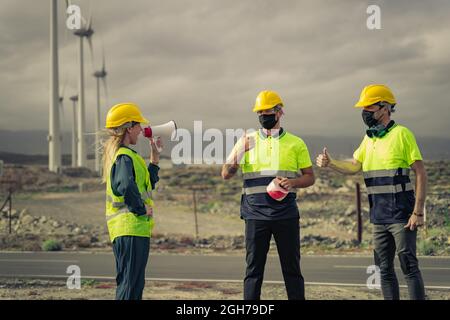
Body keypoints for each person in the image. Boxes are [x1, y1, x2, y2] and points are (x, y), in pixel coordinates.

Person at [316, 84, 427, 300]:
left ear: (385, 108)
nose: (365, 112)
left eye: (369, 107)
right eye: (363, 108)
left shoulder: (402, 134)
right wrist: (331, 163)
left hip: (402, 216)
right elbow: (354, 166)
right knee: (384, 269)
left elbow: (421, 174)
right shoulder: (369, 139)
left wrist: (418, 212)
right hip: (378, 217)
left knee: (409, 267)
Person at [221, 90, 315, 300]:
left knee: (292, 270)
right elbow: (226, 174)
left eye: (268, 111)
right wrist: (240, 152)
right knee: (253, 271)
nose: (264, 116)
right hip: (255, 215)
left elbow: (310, 177)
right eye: (260, 112)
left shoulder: (296, 143)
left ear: (280, 112)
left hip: (286, 215)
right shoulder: (246, 140)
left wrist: (292, 182)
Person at [102, 102, 162, 300]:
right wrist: (141, 209)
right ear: (129, 127)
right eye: (137, 126)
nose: (140, 130)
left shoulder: (126, 156)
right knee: (130, 285)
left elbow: (144, 185)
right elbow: (126, 186)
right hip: (130, 228)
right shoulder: (124, 157)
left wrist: (154, 160)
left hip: (131, 230)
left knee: (133, 284)